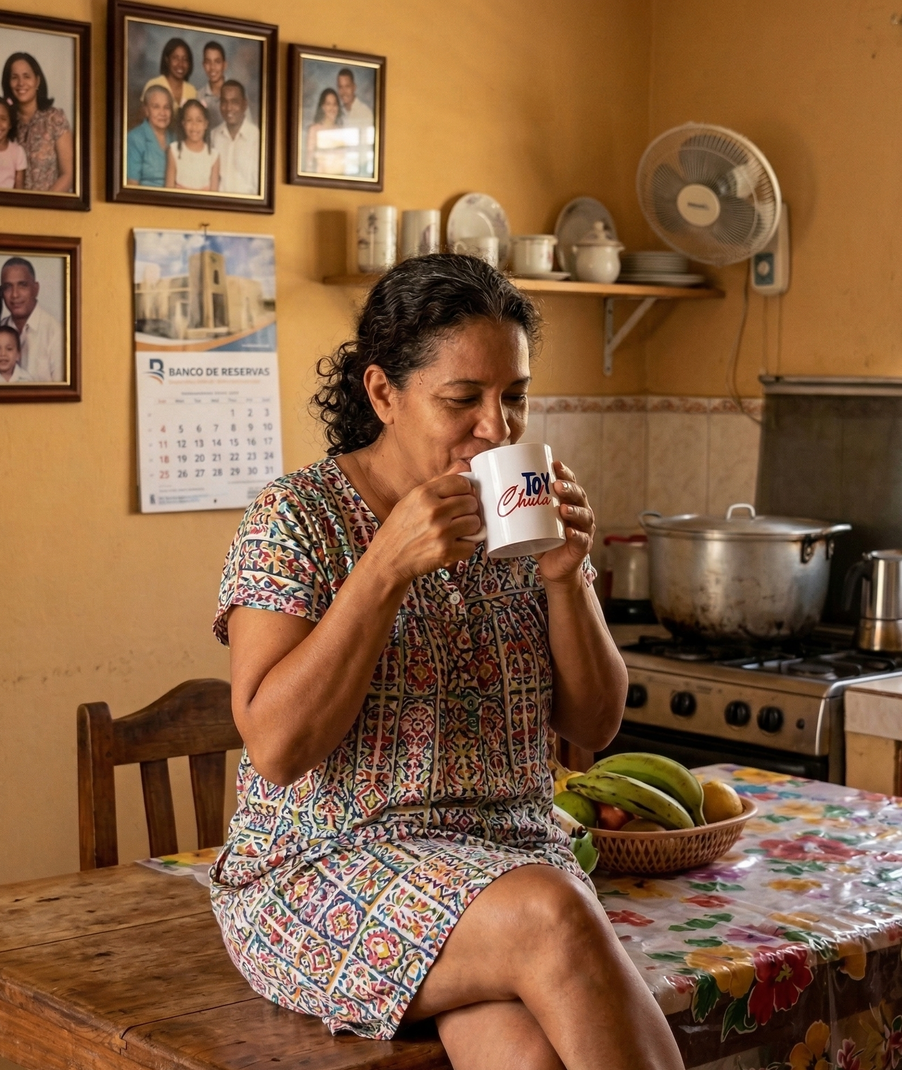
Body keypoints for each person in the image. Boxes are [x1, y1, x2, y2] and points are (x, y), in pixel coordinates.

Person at [208, 254, 685, 1070]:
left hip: (506, 860)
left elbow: (594, 724)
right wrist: (384, 568)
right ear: (383, 393)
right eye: (464, 399)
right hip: (325, 873)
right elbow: (276, 749)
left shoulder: (514, 508)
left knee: (527, 1054)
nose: (497, 428)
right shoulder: (294, 518)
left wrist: (568, 582)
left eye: (515, 396)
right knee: (555, 915)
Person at [2, 53, 74, 193]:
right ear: (8, 83)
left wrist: (43, 206)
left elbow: (68, 175)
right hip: (12, 209)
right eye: (14, 77)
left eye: (26, 76)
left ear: (37, 81)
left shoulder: (54, 118)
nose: (21, 83)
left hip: (50, 209)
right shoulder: (4, 122)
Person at [0, 258, 64, 382]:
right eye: (8, 287)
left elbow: (63, 393)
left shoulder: (55, 333)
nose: (14, 294)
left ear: (35, 289)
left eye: (22, 285)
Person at [212, 81, 259, 194]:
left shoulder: (257, 138)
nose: (228, 108)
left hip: (248, 208)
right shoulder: (214, 135)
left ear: (244, 104)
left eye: (234, 102)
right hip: (217, 206)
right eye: (224, 101)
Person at [165, 100, 219, 191]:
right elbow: (169, 188)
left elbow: (214, 193)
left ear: (206, 124)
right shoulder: (174, 150)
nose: (194, 126)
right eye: (189, 120)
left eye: (199, 120)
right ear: (183, 123)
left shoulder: (213, 155)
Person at [126, 84, 173, 187]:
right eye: (156, 107)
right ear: (146, 110)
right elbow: (132, 185)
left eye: (167, 107)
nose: (163, 113)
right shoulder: (135, 138)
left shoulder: (175, 138)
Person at [143, 38, 196, 119]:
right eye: (175, 58)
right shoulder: (153, 84)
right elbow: (142, 119)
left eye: (185, 59)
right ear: (167, 60)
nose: (180, 64)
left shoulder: (192, 91)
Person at [304, 87, 352, 175]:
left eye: (334, 104)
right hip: (319, 179)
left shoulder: (341, 132)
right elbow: (309, 162)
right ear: (323, 107)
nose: (332, 108)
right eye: (328, 104)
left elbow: (344, 162)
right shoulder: (314, 130)